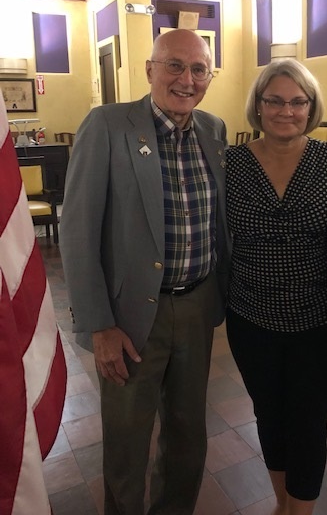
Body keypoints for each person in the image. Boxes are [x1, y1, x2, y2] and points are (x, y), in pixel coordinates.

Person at [59, 29, 231, 515]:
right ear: (150, 69)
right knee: (128, 441)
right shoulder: (108, 125)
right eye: (174, 65)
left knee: (187, 435)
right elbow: (76, 232)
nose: (187, 79)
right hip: (130, 317)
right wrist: (99, 325)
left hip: (196, 306)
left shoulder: (213, 130)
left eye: (199, 69)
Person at [225, 59, 327, 515]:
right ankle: (282, 504)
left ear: (311, 107)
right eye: (275, 100)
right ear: (258, 106)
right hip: (250, 319)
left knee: (308, 425)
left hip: (318, 321)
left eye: (298, 101)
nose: (287, 110)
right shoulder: (231, 162)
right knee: (269, 417)